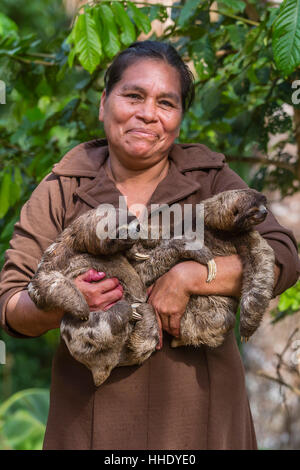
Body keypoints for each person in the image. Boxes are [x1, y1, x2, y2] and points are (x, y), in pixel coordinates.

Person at [0, 40, 299, 450]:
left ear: (179, 118)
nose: (148, 113)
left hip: (201, 417)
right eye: (133, 95)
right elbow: (10, 305)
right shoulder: (65, 185)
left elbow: (284, 256)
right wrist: (66, 301)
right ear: (105, 102)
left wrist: (193, 276)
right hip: (90, 422)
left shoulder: (208, 176)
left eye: (166, 103)